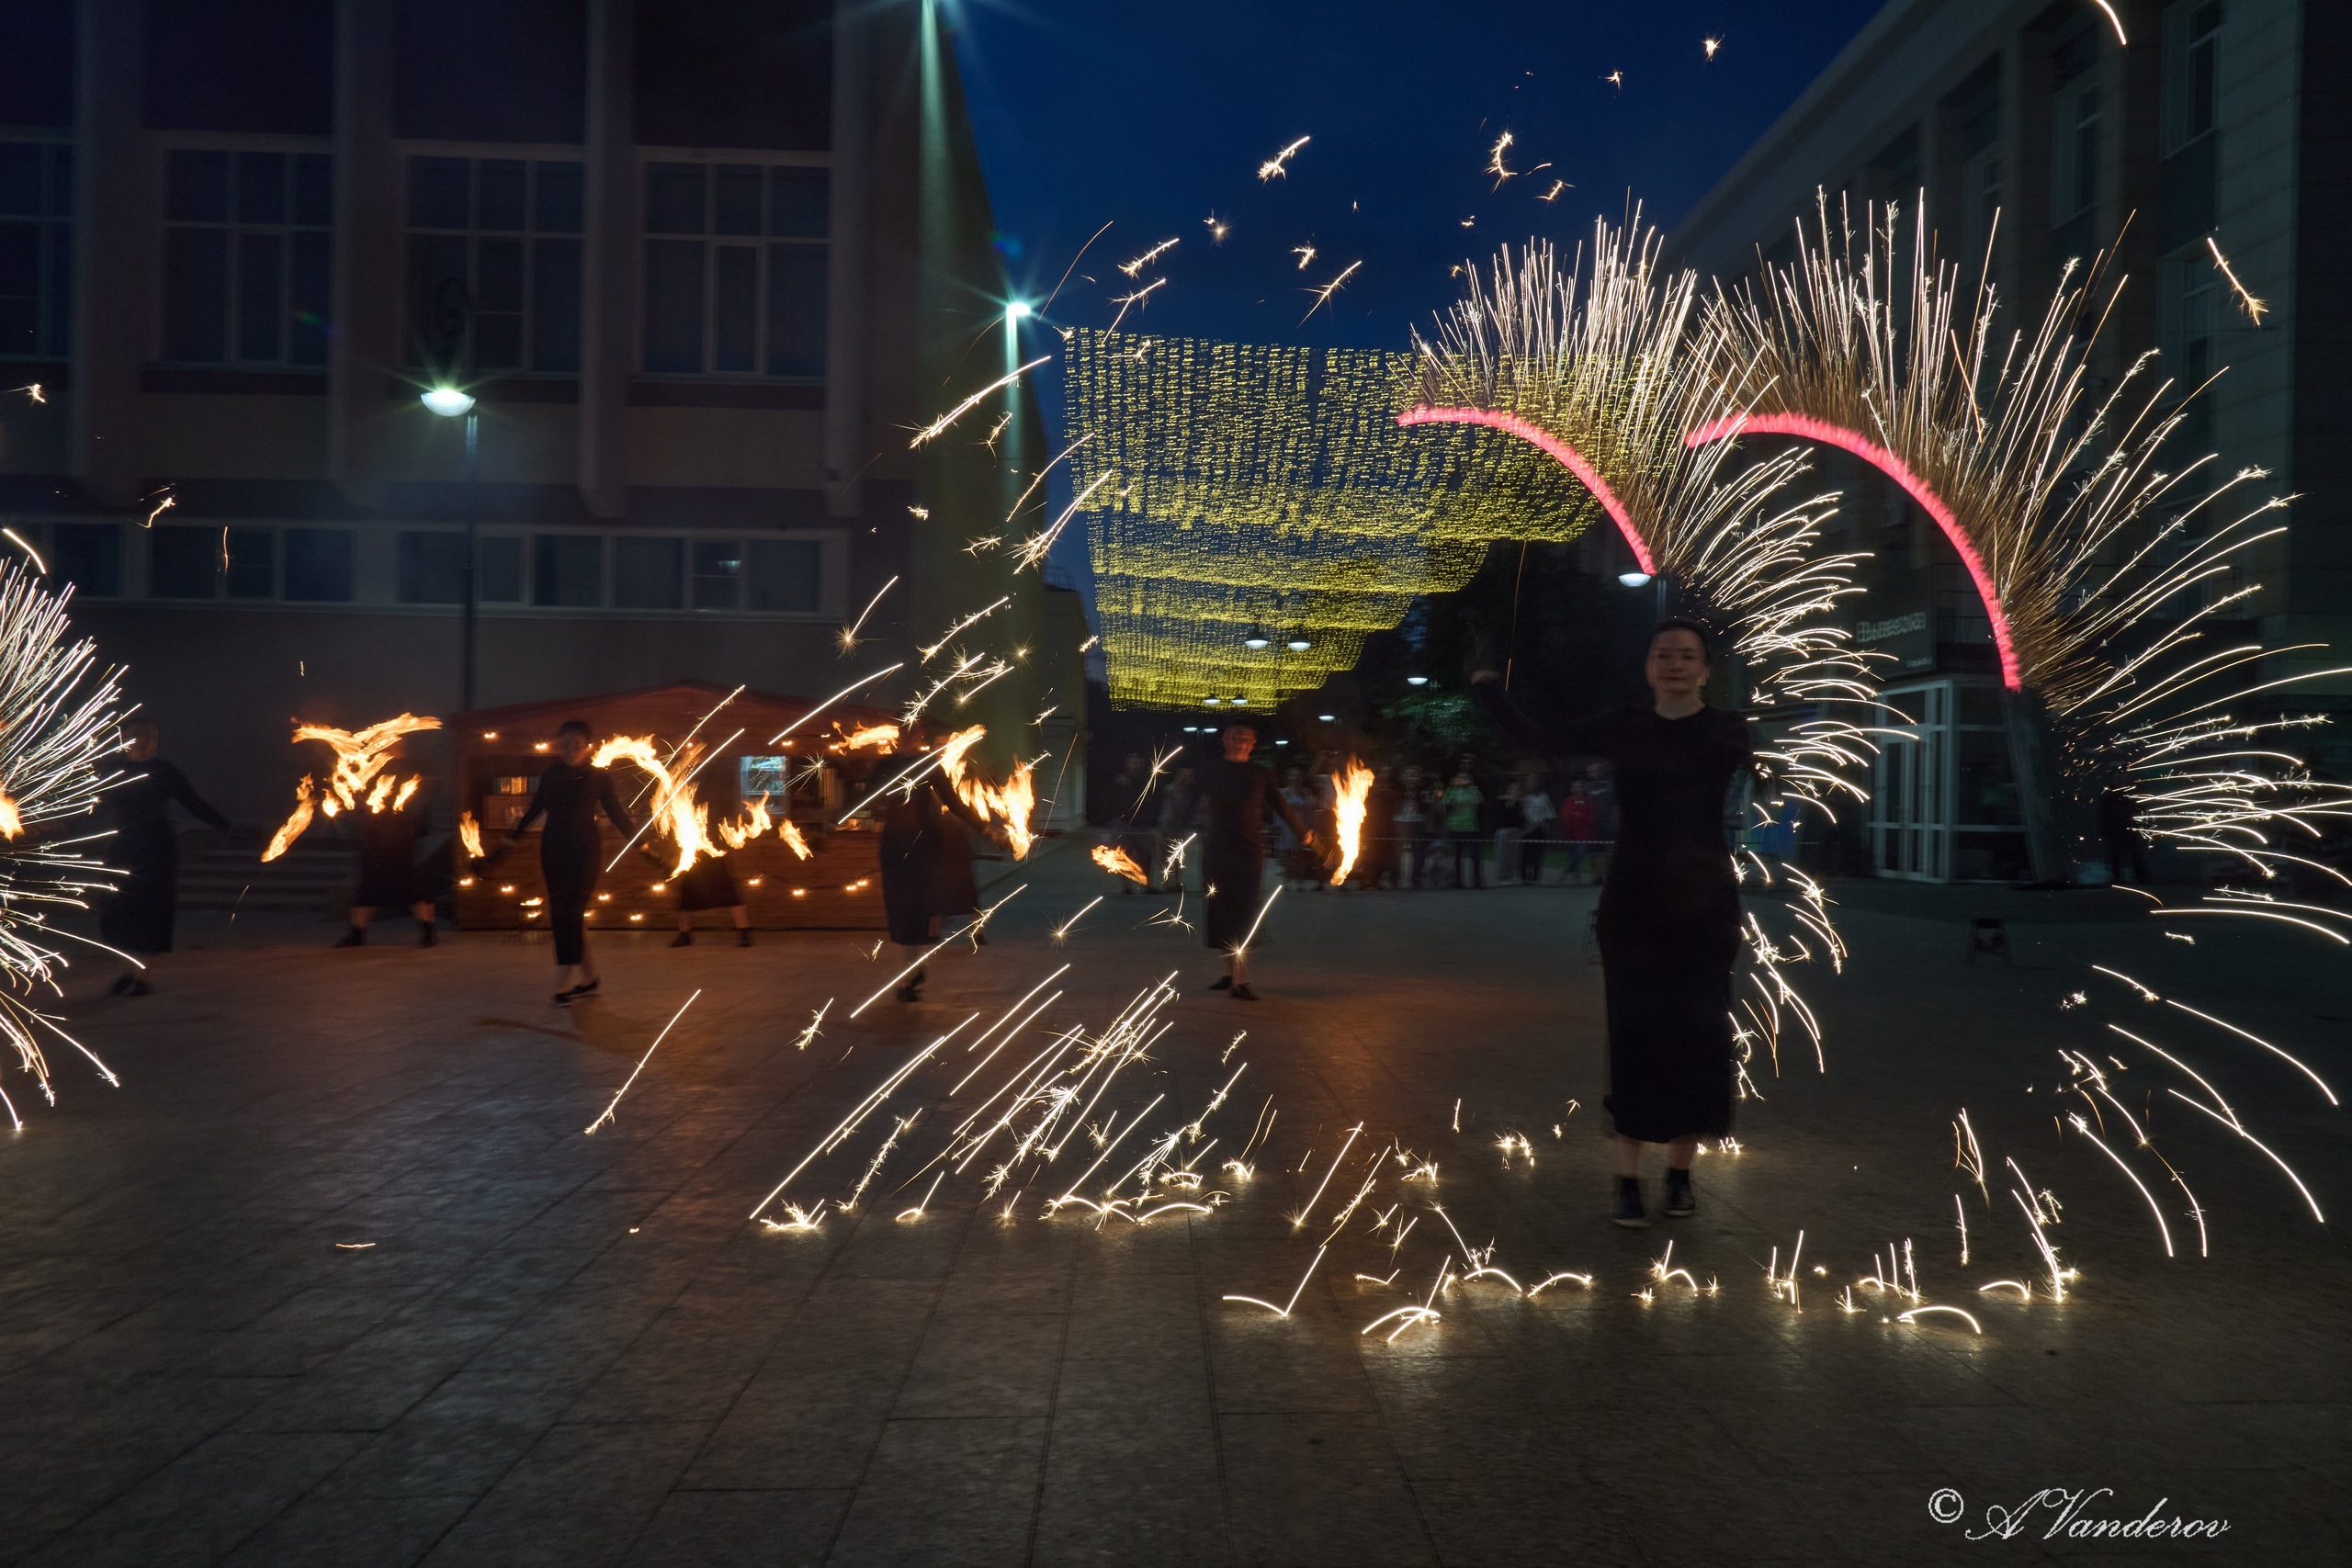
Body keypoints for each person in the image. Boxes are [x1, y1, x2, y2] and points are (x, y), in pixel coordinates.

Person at [1472, 617, 1754, 1228]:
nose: (1675, 664)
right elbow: (1536, 740)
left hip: (1706, 903)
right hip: (1635, 902)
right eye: (1663, 654)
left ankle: (1679, 1173)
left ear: (1705, 669)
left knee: (1700, 1034)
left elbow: (1781, 768)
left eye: (1687, 655)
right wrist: (1490, 689)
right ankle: (1626, 1179)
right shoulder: (1625, 725)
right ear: (1648, 667)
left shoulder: (1726, 729)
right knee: (1634, 1032)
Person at [501, 720, 634, 1005]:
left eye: (577, 744)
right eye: (565, 745)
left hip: (585, 852)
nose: (571, 750)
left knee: (569, 915)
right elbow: (535, 810)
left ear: (587, 746)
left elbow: (618, 815)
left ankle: (561, 985)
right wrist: (511, 841)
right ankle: (589, 979)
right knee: (566, 915)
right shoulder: (551, 775)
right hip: (552, 851)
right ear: (558, 746)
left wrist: (643, 845)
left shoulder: (598, 777)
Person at [97, 720, 231, 997]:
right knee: (117, 912)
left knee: (151, 913)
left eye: (151, 736)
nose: (146, 741)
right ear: (125, 739)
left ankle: (143, 976)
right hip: (123, 848)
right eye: (139, 735)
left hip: (156, 849)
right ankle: (128, 970)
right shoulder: (113, 770)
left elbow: (192, 802)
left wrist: (225, 825)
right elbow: (93, 803)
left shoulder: (165, 771)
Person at [875, 733, 994, 1002]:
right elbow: (865, 794)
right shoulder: (887, 765)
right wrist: (833, 820)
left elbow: (953, 801)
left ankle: (910, 975)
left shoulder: (929, 765)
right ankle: (911, 973)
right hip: (894, 847)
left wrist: (984, 828)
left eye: (913, 734)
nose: (908, 740)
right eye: (904, 733)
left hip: (922, 848)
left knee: (916, 911)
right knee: (902, 912)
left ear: (919, 736)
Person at [1195, 723, 1310, 1000]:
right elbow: (1188, 799)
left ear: (1252, 743)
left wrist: (1302, 832)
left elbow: (1280, 805)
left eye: (1245, 739)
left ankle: (1241, 979)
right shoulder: (1210, 770)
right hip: (1217, 849)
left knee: (1244, 911)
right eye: (1234, 738)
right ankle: (1229, 974)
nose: (1239, 743)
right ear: (1224, 740)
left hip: (1248, 850)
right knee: (1221, 910)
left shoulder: (1260, 773)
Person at [334, 737, 436, 948]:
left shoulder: (413, 768)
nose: (389, 745)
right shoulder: (372, 767)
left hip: (400, 837)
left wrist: (413, 825)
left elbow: (422, 798)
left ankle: (428, 931)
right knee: (368, 886)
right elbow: (360, 798)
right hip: (374, 837)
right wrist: (349, 811)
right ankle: (357, 934)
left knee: (411, 885)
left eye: (394, 742)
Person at [670, 849, 751, 947]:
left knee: (731, 895)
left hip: (714, 857)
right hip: (692, 859)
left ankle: (744, 931)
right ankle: (684, 933)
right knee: (684, 896)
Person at [1151, 766, 1196, 893]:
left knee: (1175, 855)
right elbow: (1178, 808)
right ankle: (1169, 883)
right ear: (1178, 775)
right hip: (1169, 825)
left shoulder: (1178, 789)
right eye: (1185, 776)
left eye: (1189, 776)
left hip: (1175, 825)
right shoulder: (1174, 789)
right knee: (1169, 855)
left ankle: (1173, 882)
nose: (1187, 779)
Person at [1442, 770, 1486, 889]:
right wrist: (1452, 788)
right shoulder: (1452, 791)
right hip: (1455, 826)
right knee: (1457, 856)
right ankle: (1457, 880)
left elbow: (1478, 800)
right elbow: (1446, 802)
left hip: (1471, 827)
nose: (1462, 781)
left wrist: (1469, 789)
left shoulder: (1474, 790)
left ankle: (1477, 879)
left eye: (1465, 778)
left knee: (1475, 855)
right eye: (1459, 778)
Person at [1279, 764, 1319, 889]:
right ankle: (1287, 879)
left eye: (1296, 776)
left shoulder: (1306, 792)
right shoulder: (1284, 792)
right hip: (1288, 825)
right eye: (1292, 775)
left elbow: (1310, 810)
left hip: (1302, 823)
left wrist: (1310, 826)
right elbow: (1279, 809)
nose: (1294, 778)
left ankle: (1300, 880)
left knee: (1301, 852)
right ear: (1288, 778)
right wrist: (1277, 824)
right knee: (1288, 852)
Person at [2100, 787, 2149, 886]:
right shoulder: (2113, 797)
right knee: (2120, 854)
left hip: (2125, 830)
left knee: (2130, 853)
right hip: (2119, 830)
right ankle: (2128, 877)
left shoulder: (2113, 797)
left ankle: (2136, 877)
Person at [1393, 764, 1430, 888]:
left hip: (1417, 820)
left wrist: (1416, 794)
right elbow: (1393, 804)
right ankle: (1397, 877)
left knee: (1418, 850)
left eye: (1413, 775)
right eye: (1408, 774)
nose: (1410, 777)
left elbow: (1425, 808)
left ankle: (1415, 877)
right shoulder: (1398, 787)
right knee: (1398, 850)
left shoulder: (1423, 789)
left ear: (1418, 777)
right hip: (1400, 820)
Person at [1519, 776, 1555, 886]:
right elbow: (1520, 812)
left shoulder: (1543, 797)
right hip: (1526, 829)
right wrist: (1527, 822)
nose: (1532, 784)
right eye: (1529, 782)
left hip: (1539, 829)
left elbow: (1549, 813)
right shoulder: (1524, 797)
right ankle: (1524, 876)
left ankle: (1535, 876)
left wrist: (1540, 822)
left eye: (1534, 782)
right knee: (1524, 854)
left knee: (1537, 855)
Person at [1560, 781, 1598, 883]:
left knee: (1580, 852)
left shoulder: (1589, 801)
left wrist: (1581, 815)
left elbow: (1592, 816)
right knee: (1572, 854)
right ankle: (1575, 873)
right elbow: (1565, 814)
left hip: (1584, 832)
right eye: (1576, 787)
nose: (1579, 789)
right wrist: (1572, 816)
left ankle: (1568, 871)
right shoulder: (1569, 800)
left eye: (1581, 787)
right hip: (1571, 831)